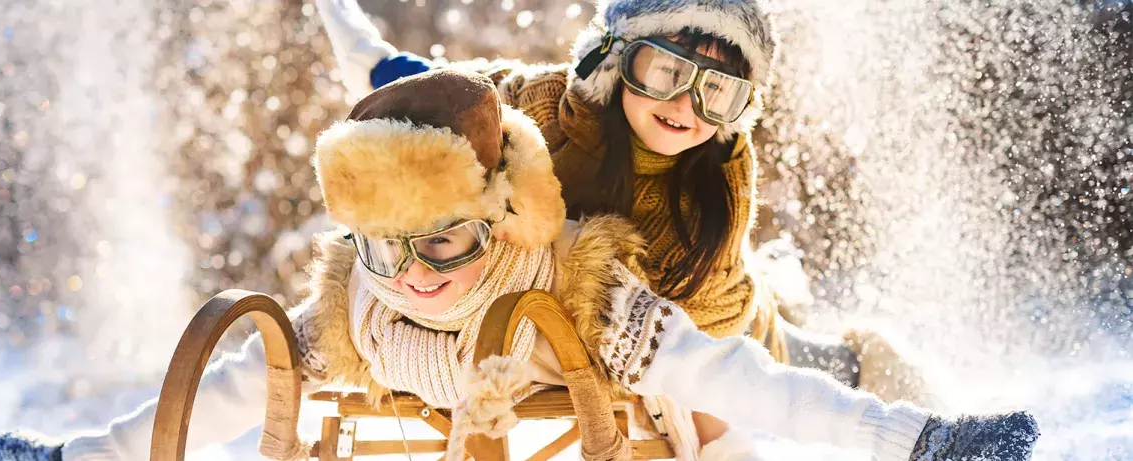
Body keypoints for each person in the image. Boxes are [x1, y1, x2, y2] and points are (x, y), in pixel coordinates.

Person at [0, 69, 1037, 461]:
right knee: (249, 371)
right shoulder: (359, 297)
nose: (416, 270)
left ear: (499, 212)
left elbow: (741, 378)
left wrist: (919, 441)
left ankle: (922, 426)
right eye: (385, 242)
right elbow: (222, 397)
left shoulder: (574, 283)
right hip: (437, 404)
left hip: (556, 366)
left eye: (442, 237)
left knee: (721, 415)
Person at [318, 0, 937, 412]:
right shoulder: (544, 107)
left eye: (716, 91)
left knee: (812, 362)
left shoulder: (713, 191)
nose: (685, 105)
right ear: (614, 61)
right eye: (664, 71)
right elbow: (430, 93)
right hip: (565, 304)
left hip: (717, 322)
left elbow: (695, 351)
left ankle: (877, 364)